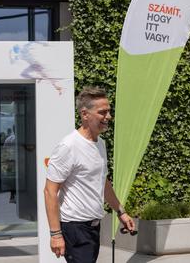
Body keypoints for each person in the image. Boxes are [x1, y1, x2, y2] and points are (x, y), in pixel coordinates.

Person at [44, 87, 136, 263]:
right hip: (75, 228)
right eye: (102, 112)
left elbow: (104, 182)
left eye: (109, 111)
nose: (108, 116)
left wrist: (121, 211)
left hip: (93, 227)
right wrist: (55, 234)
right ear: (85, 114)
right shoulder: (69, 146)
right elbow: (49, 191)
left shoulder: (100, 143)